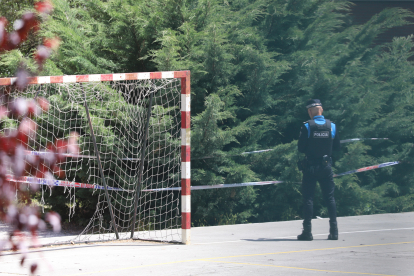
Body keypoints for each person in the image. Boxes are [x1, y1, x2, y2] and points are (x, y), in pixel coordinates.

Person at [297, 99, 340, 241]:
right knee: (330, 198)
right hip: (326, 166)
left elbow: (301, 148)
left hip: (310, 167)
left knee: (308, 198)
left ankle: (307, 232)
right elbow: (337, 147)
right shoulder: (331, 126)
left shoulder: (307, 126)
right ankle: (334, 231)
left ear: (310, 111)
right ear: (322, 110)